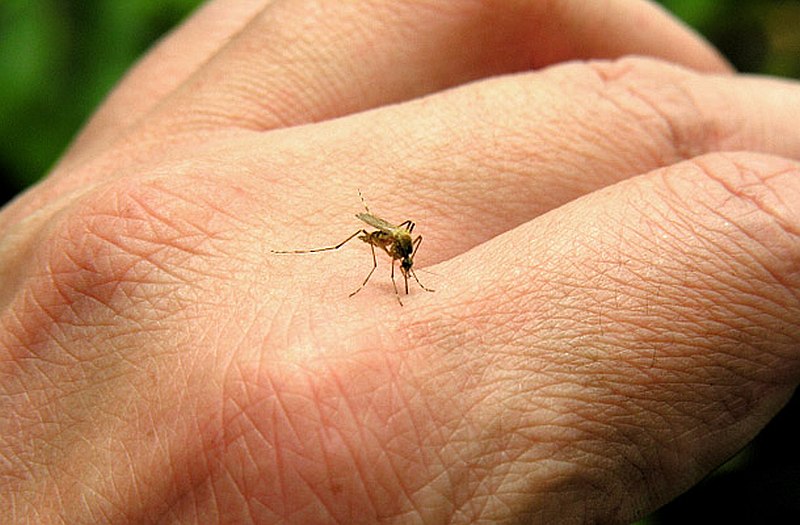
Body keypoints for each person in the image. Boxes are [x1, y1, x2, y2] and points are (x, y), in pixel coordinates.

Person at [1, 0, 798, 522]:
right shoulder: (382, 241)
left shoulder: (406, 243)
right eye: (403, 252)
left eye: (404, 252)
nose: (401, 254)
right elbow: (381, 236)